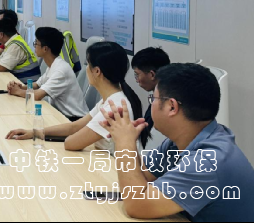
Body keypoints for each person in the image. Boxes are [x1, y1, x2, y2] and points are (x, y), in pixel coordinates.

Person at [98, 64, 254, 221]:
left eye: (153, 99)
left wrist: (124, 143)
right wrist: (128, 139)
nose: (151, 104)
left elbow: (137, 205)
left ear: (172, 107)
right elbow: (142, 177)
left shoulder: (209, 161)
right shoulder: (181, 141)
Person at [6, 42, 143, 155]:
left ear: (97, 71)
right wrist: (34, 132)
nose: (86, 69)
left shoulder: (114, 107)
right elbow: (74, 126)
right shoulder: (111, 99)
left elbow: (71, 143)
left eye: (88, 65)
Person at [7, 28, 89, 120]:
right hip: (60, 113)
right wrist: (20, 87)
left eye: (36, 43)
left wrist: (17, 91)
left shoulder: (61, 70)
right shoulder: (53, 65)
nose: (35, 46)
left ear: (45, 49)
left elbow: (37, 95)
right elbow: (37, 85)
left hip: (74, 119)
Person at [0, 18, 41, 83]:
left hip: (28, 84)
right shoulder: (13, 41)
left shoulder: (15, 45)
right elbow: (0, 61)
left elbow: (3, 67)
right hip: (20, 80)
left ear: (1, 35)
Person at [131, 47, 171, 148]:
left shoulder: (163, 106)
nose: (137, 80)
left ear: (152, 74)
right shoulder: (158, 99)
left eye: (137, 75)